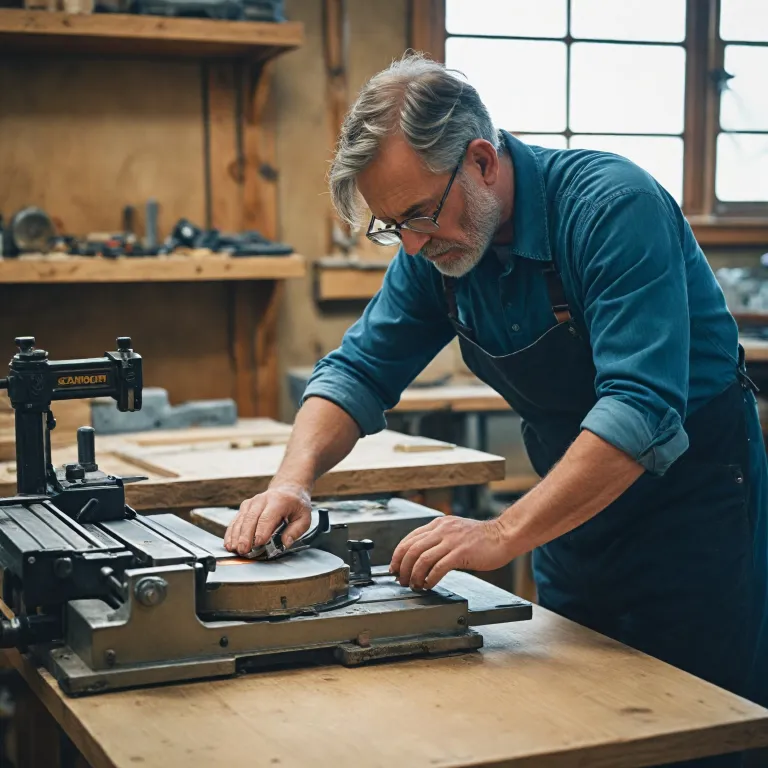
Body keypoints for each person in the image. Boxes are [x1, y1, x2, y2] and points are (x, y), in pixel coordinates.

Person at [224, 53, 767, 736]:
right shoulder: (438, 249)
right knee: (581, 720)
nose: (412, 245)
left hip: (694, 514)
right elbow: (358, 370)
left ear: (481, 160)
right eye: (393, 226)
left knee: (703, 725)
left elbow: (640, 408)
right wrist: (292, 482)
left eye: (419, 215)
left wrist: (502, 532)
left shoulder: (610, 207)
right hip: (571, 515)